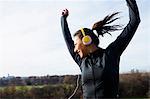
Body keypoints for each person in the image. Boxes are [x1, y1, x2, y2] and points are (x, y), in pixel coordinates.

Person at [61, 0, 140, 98]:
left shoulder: (110, 54)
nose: (74, 49)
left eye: (76, 44)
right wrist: (63, 19)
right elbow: (67, 40)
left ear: (86, 40)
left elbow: (134, 21)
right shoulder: (81, 61)